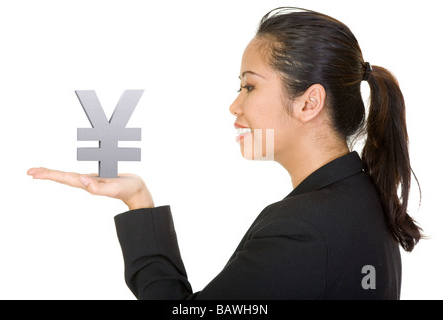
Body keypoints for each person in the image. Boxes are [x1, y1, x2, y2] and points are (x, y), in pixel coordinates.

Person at [27, 7, 422, 299]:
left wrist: (137, 204)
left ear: (308, 103)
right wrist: (138, 199)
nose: (235, 107)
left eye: (249, 87)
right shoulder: (364, 198)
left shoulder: (302, 229)